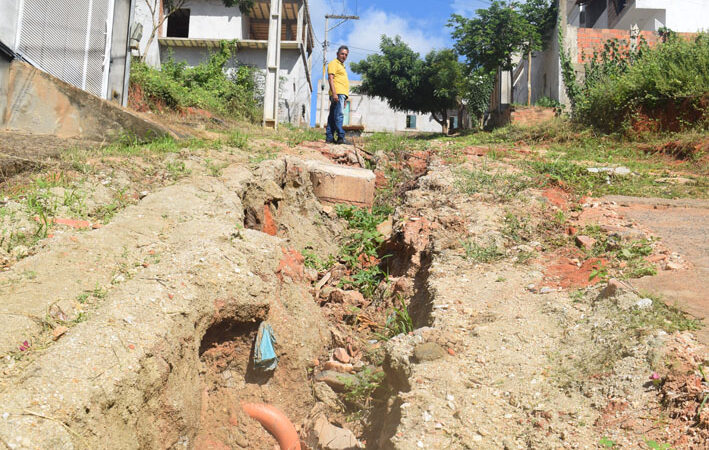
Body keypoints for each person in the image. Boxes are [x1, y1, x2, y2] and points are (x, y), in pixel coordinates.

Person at [325, 45, 350, 144]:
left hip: (342, 94)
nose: (344, 56)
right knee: (339, 115)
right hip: (337, 93)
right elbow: (330, 78)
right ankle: (341, 137)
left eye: (346, 55)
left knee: (332, 116)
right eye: (342, 54)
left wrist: (345, 99)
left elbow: (343, 82)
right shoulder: (333, 63)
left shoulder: (342, 66)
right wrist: (334, 94)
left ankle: (330, 137)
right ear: (337, 54)